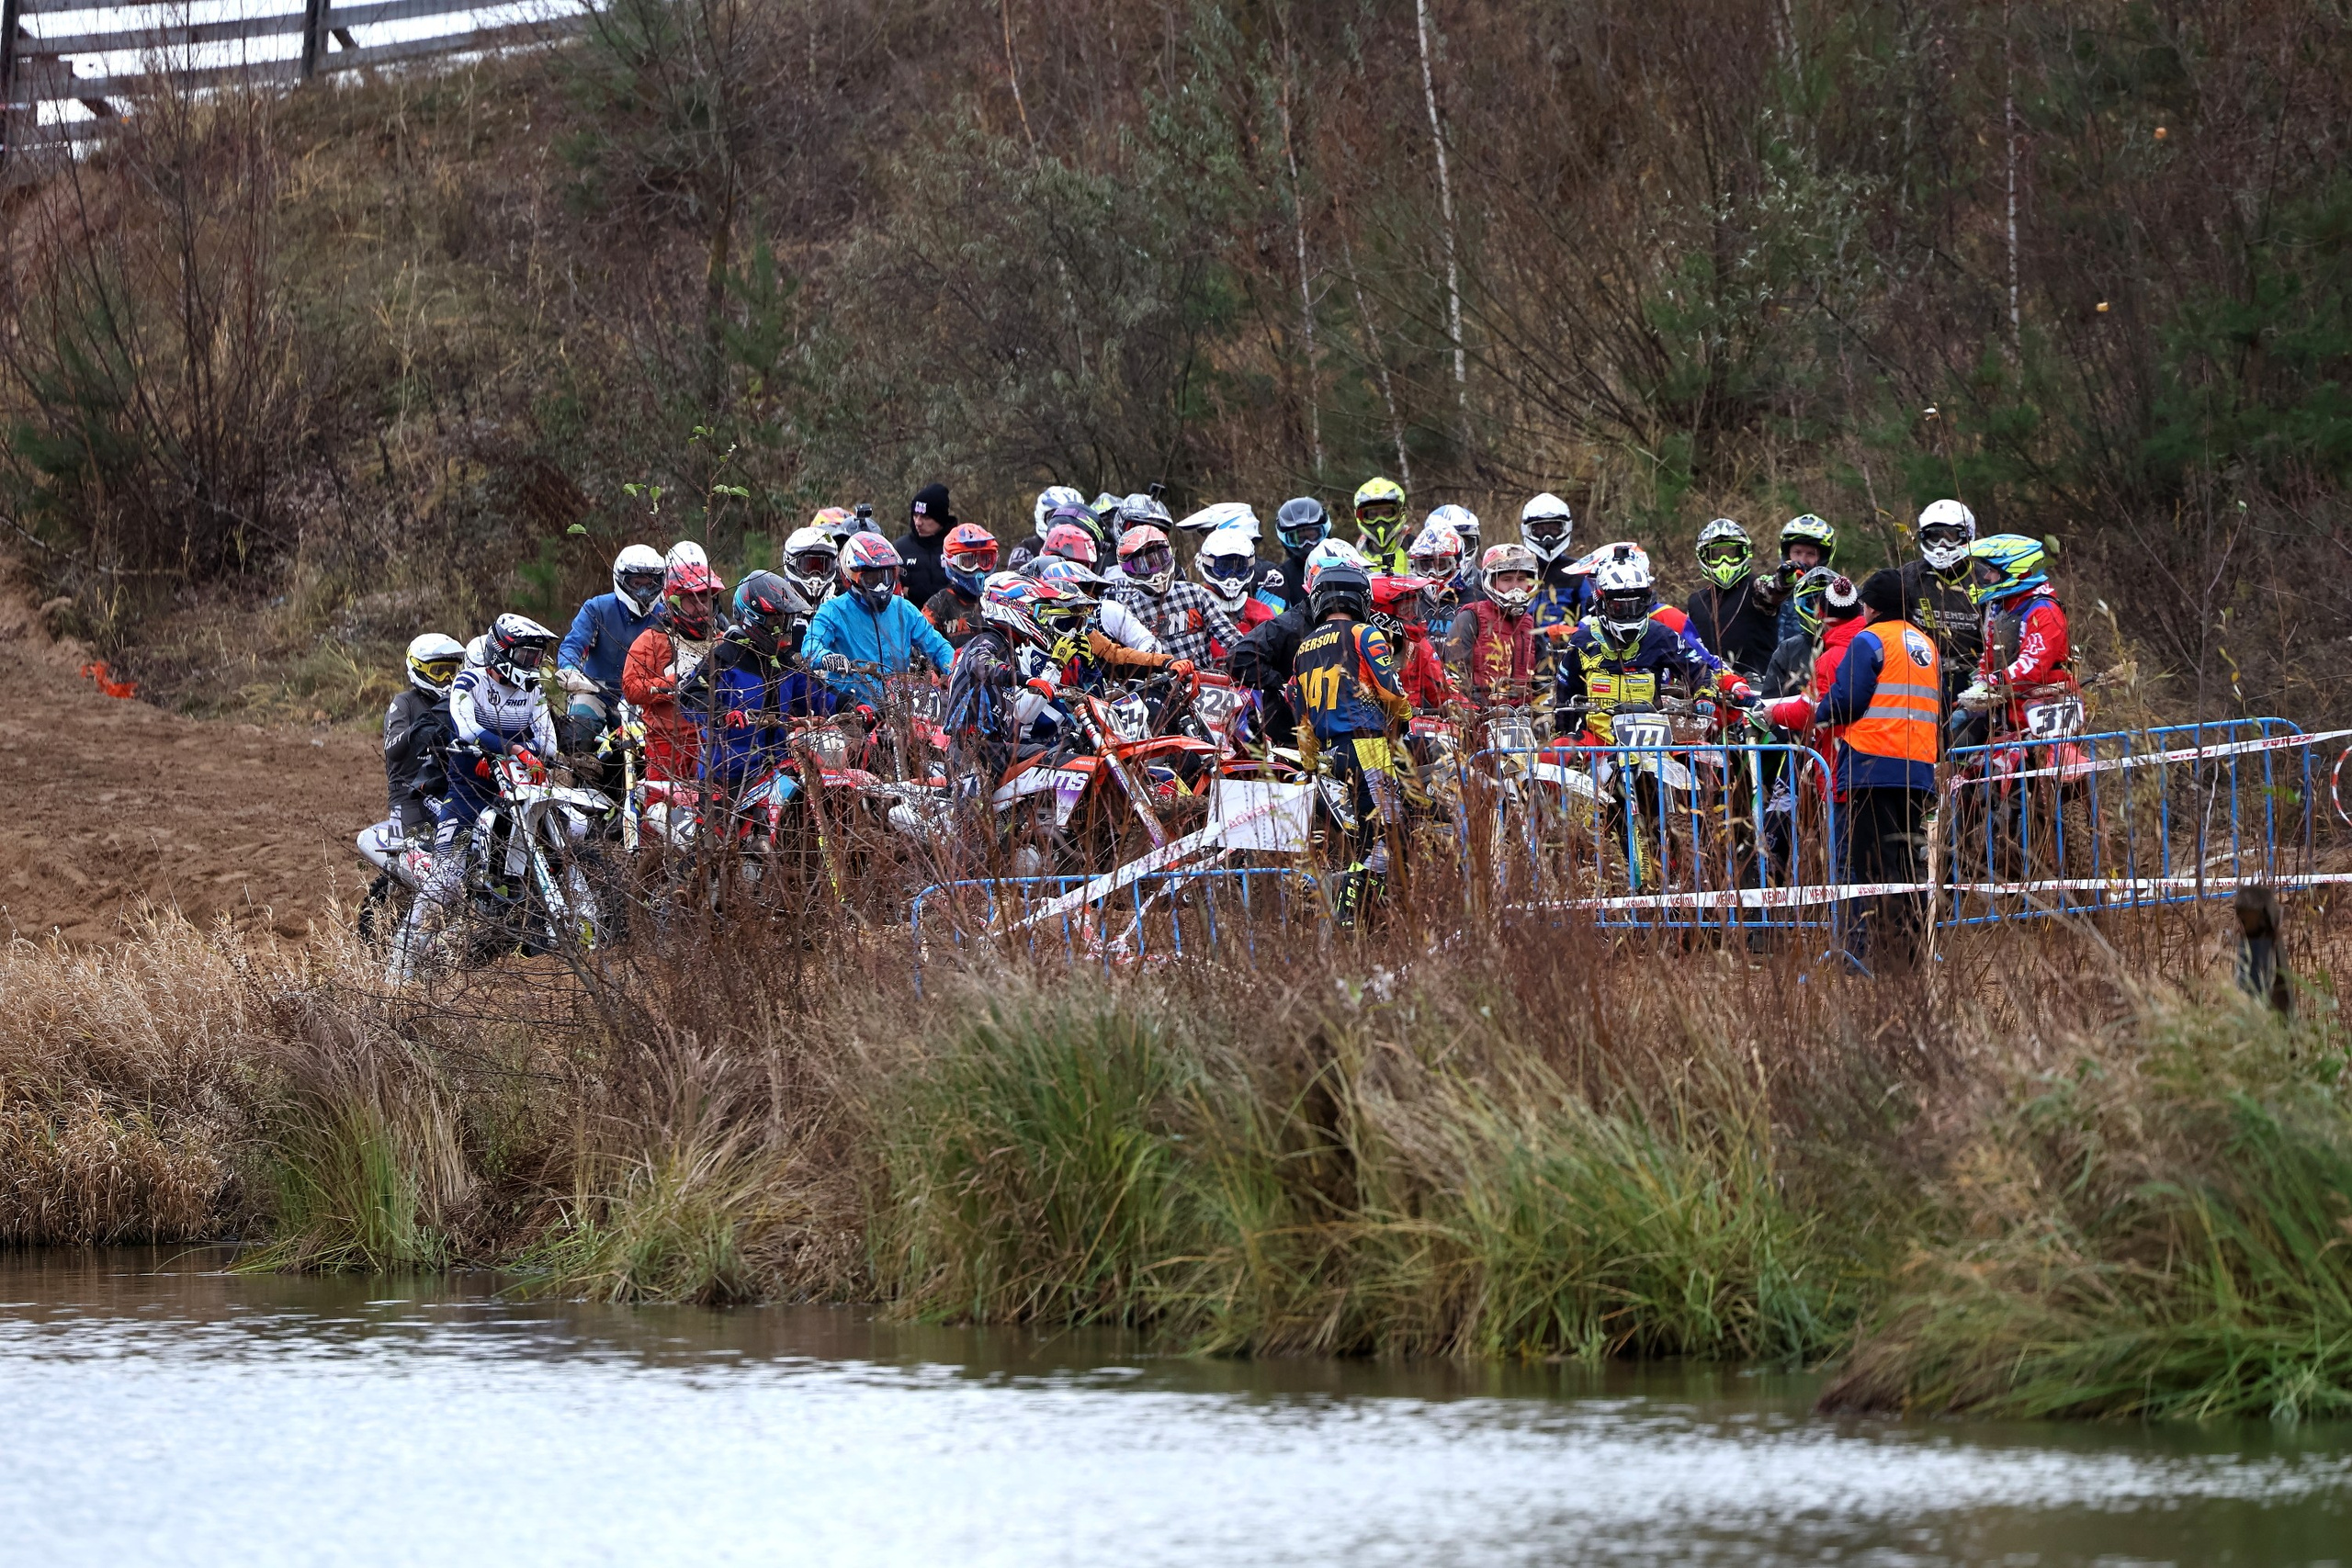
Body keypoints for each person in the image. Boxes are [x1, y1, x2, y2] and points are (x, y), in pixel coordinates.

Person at [1763, 570, 1939, 969]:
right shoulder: (1925, 644)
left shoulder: (1870, 639)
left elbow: (1846, 701)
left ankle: (1868, 957)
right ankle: (1910, 955)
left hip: (1872, 767)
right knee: (1908, 865)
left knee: (1869, 866)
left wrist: (1816, 717)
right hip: (1918, 769)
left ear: (1871, 606)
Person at [385, 615, 561, 982]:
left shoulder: (534, 691)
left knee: (572, 829)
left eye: (537, 658)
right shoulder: (469, 682)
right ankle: (399, 965)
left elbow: (548, 743)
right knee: (444, 881)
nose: (534, 665)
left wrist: (519, 753)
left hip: (520, 787)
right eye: (527, 657)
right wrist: (511, 748)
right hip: (468, 793)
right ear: (503, 652)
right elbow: (467, 727)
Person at [1287, 561, 1412, 927]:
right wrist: (1405, 715)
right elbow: (1391, 689)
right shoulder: (1366, 634)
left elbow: (1302, 721)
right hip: (1366, 746)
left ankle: (1357, 912)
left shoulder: (1303, 649)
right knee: (1390, 833)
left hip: (1327, 755)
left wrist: (1312, 765)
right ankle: (1349, 911)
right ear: (1362, 599)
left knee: (1360, 836)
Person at [1552, 547, 1756, 744]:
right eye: (1619, 606)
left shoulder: (1662, 630)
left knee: (1701, 757)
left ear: (1647, 598)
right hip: (1598, 739)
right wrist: (1564, 729)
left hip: (1655, 738)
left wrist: (1706, 695)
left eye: (1635, 604)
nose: (1628, 612)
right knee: (1555, 753)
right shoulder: (1584, 638)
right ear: (1601, 601)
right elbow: (1566, 688)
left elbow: (1700, 664)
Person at [682, 570, 824, 825]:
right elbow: (690, 695)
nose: (784, 630)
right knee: (717, 845)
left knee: (805, 815)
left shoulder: (786, 664)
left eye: (787, 622)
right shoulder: (724, 657)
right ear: (754, 619)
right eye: (776, 622)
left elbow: (818, 694)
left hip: (777, 769)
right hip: (727, 774)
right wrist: (721, 713)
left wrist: (855, 706)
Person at [1230, 539, 1366, 742]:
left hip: (1351, 735)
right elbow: (1238, 657)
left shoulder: (1366, 620)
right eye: (1335, 584)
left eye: (1350, 583)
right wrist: (1283, 685)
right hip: (1293, 738)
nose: (1342, 592)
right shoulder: (1290, 624)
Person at [801, 534, 957, 709]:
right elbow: (810, 648)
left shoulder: (903, 609)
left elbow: (938, 646)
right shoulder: (832, 611)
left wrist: (955, 671)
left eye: (887, 576)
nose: (881, 586)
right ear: (851, 575)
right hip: (853, 712)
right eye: (872, 579)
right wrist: (828, 658)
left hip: (900, 712)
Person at [358, 633, 462, 873]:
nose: (448, 679)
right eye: (440, 671)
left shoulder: (458, 703)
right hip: (410, 796)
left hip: (450, 791)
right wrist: (423, 729)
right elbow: (393, 749)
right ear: (419, 669)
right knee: (428, 869)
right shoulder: (404, 703)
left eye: (453, 671)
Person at [622, 547, 725, 784]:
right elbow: (631, 689)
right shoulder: (652, 640)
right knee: (659, 814)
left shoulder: (722, 642)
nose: (701, 606)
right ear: (675, 602)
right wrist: (672, 684)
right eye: (692, 599)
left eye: (706, 598)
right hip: (667, 746)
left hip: (714, 744)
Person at [1955, 533, 2072, 739]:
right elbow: (1990, 656)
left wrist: (1991, 683)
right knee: (1958, 739)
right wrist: (1980, 684)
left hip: (2043, 707)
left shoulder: (2043, 609)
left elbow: (2033, 665)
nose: (1986, 577)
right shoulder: (2004, 606)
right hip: (2008, 708)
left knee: (2046, 766)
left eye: (1992, 571)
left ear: (2014, 572)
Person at [555, 545, 665, 758]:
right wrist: (570, 670)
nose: (643, 591)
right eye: (636, 583)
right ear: (622, 580)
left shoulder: (666, 617)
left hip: (644, 697)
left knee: (664, 744)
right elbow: (573, 645)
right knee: (577, 735)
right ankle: (573, 783)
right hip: (595, 691)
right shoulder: (597, 608)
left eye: (649, 584)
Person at [1030, 556, 1189, 690]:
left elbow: (1117, 656)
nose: (1085, 608)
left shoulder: (1084, 631)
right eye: (1083, 597)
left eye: (1089, 600)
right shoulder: (1025, 634)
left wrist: (1165, 662)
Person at [1103, 524, 1238, 666]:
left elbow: (1231, 639)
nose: (1156, 569)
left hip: (1204, 681)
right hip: (1158, 685)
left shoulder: (1195, 594)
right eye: (1145, 564)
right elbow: (1124, 662)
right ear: (1128, 569)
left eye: (1161, 558)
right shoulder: (1128, 611)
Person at [1899, 499, 1985, 710]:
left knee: (1967, 735)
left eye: (1949, 537)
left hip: (1970, 677)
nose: (1942, 546)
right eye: (1935, 537)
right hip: (1917, 675)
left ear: (1966, 535)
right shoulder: (1909, 577)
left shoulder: (1984, 579)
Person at [1443, 542, 1543, 707]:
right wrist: (1473, 709)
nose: (1515, 586)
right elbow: (1455, 675)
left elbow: (1544, 679)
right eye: (1507, 579)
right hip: (1481, 716)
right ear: (1491, 582)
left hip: (1524, 719)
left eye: (1521, 579)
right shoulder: (1470, 617)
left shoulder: (1530, 624)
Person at [1683, 519, 1783, 678]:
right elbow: (1687, 647)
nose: (1724, 562)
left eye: (1731, 553)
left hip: (1758, 687)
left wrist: (1784, 580)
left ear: (1744, 552)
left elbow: (1775, 591)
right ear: (1703, 557)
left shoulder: (1756, 588)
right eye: (1716, 555)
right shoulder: (1695, 601)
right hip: (1711, 688)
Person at [1368, 575, 1458, 709]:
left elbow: (1446, 692)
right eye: (1406, 609)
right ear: (1379, 614)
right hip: (1369, 725)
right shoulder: (1358, 644)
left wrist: (1461, 707)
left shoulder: (1417, 645)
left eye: (1414, 607)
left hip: (1411, 725)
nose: (1413, 615)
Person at [1193, 524, 1277, 647]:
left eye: (1238, 567)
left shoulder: (1261, 613)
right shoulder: (1193, 610)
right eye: (1223, 567)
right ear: (1208, 564)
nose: (1231, 576)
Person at [923, 522, 1001, 647]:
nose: (978, 569)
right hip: (954, 665)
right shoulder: (938, 606)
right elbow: (922, 648)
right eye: (969, 560)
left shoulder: (1002, 598)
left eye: (985, 560)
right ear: (952, 562)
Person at [1521, 493, 1589, 634]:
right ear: (1528, 530)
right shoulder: (1516, 571)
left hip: (1566, 649)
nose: (1547, 537)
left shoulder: (1577, 572)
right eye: (1540, 530)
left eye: (1553, 529)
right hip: (1522, 648)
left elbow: (1590, 620)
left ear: (1565, 528)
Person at [1772, 513, 1838, 644]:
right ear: (1787, 554)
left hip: (1814, 661)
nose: (1802, 560)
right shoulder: (1769, 589)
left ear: (1822, 557)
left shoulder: (1835, 595)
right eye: (1797, 552)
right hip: (1772, 662)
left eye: (1810, 554)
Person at [1265, 495, 1330, 612]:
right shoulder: (1282, 577)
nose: (1307, 544)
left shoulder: (1344, 561)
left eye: (1312, 536)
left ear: (1325, 530)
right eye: (1299, 539)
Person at [894, 483, 956, 607]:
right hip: (910, 621)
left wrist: (913, 592)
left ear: (940, 518)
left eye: (925, 517)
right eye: (915, 515)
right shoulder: (899, 548)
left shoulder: (958, 546)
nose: (918, 522)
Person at [1407, 520, 1468, 639]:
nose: (1433, 573)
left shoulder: (1476, 602)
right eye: (1425, 566)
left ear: (1457, 564)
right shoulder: (1408, 602)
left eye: (1440, 565)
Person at [1007, 485, 1087, 574]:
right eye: (1054, 519)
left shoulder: (1088, 549)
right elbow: (1014, 580)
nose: (1063, 526)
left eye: (1072, 520)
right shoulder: (1026, 549)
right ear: (1042, 516)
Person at [1351, 476, 1411, 573]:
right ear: (1360, 516)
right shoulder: (1354, 555)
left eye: (1387, 513)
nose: (1380, 521)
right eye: (1373, 514)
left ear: (1401, 512)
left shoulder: (1413, 548)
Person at [780, 520, 842, 610]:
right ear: (790, 562)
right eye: (809, 567)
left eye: (822, 567)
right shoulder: (776, 602)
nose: (815, 575)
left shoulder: (840, 608)